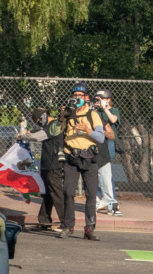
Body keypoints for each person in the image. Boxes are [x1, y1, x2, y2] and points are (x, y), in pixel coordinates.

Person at [58, 87, 111, 240]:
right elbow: (59, 131)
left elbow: (100, 137)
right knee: (68, 192)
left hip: (89, 157)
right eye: (75, 95)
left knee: (91, 194)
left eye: (80, 95)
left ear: (86, 97)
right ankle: (68, 226)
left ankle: (89, 229)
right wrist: (62, 115)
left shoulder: (92, 114)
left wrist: (87, 129)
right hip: (71, 156)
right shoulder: (68, 113)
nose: (77, 98)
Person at [20, 105, 67, 234]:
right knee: (46, 193)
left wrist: (24, 136)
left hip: (54, 164)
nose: (39, 123)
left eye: (38, 121)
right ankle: (44, 220)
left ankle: (66, 223)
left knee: (56, 193)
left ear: (43, 117)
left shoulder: (55, 125)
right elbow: (39, 133)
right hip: (47, 164)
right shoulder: (47, 126)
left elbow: (39, 136)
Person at [93, 88, 123, 217]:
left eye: (102, 99)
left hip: (109, 142)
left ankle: (110, 200)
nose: (100, 101)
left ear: (108, 99)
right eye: (98, 99)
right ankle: (102, 199)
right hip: (98, 142)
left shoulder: (113, 110)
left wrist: (105, 108)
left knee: (106, 171)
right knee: (97, 173)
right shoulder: (96, 111)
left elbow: (114, 120)